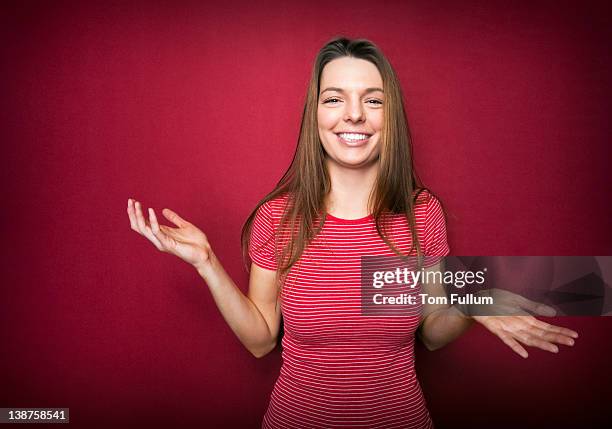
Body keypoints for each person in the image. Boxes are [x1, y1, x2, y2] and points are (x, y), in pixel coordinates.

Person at [126, 37, 579, 429]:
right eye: (335, 98)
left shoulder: (422, 214)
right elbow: (262, 339)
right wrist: (207, 263)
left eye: (373, 100)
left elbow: (434, 333)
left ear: (389, 116)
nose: (355, 115)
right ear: (316, 113)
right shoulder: (279, 218)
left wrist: (477, 298)